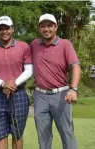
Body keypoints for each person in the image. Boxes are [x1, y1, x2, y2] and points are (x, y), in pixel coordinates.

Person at [0, 16, 33, 149]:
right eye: (1, 29)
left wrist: (12, 84)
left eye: (7, 28)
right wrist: (3, 84)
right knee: (1, 135)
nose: (4, 31)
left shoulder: (23, 46)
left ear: (13, 29)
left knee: (17, 134)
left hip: (19, 94)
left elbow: (29, 70)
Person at [30, 13, 81, 149]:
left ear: (56, 27)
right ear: (39, 28)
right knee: (43, 136)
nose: (46, 29)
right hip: (40, 96)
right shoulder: (34, 44)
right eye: (43, 26)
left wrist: (74, 89)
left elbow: (75, 66)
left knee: (67, 133)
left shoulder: (65, 44)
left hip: (61, 95)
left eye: (50, 26)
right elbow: (17, 54)